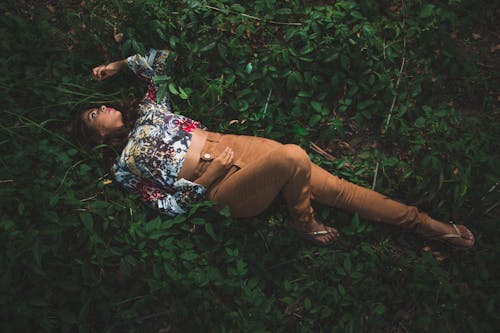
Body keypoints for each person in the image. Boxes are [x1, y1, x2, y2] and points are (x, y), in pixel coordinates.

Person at [68, 48, 475, 248]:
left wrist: (119, 66)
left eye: (97, 105)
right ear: (98, 138)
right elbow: (164, 207)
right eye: (93, 116)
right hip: (218, 187)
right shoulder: (123, 168)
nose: (100, 108)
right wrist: (208, 178)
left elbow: (162, 60)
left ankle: (429, 226)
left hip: (236, 146)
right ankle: (303, 221)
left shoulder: (149, 107)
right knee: (294, 156)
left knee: (340, 190)